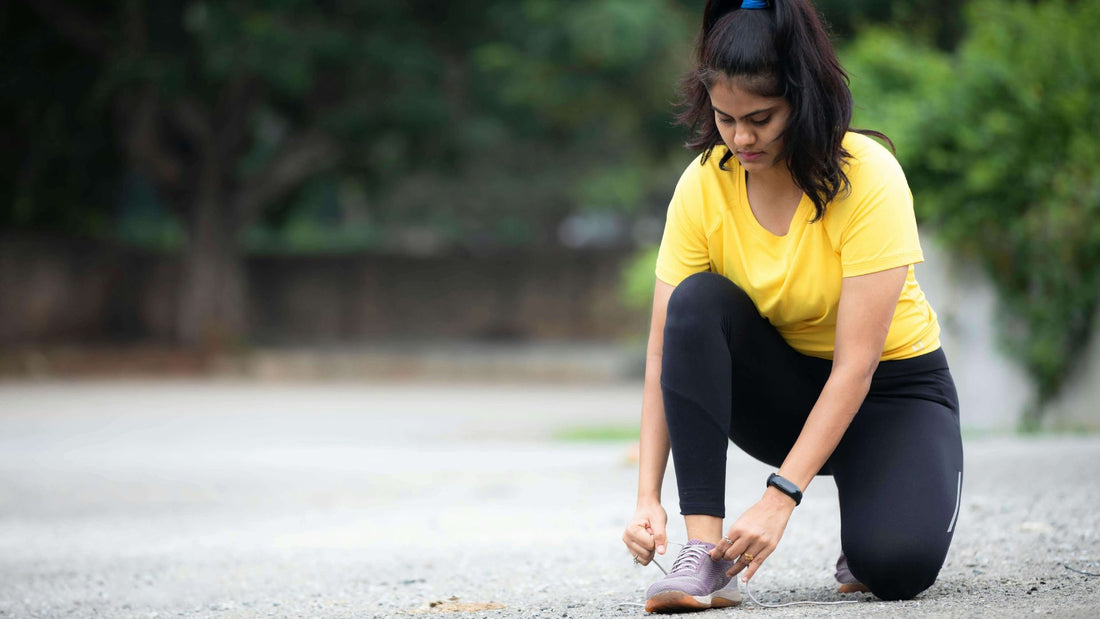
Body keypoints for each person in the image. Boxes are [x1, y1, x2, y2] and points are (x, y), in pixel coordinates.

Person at [620, 0, 964, 613]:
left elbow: (856, 367)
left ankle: (871, 522)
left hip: (889, 391)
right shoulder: (704, 184)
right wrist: (647, 497)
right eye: (725, 118)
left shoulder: (869, 177)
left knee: (895, 569)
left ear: (802, 100)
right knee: (696, 304)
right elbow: (661, 353)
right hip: (783, 393)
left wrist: (780, 497)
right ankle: (707, 557)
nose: (741, 137)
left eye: (761, 117)